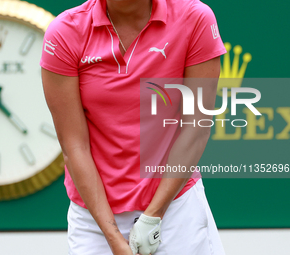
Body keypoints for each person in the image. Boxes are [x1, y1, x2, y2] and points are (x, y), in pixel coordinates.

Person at [40, 0, 227, 254]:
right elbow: (75, 146)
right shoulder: (64, 31)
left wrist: (154, 215)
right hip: (94, 219)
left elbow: (196, 127)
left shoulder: (195, 17)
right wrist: (113, 237)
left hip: (175, 207)